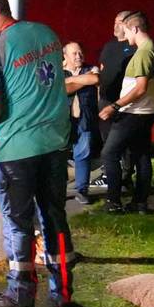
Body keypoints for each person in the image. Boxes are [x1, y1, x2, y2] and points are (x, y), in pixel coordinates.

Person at [0, 0, 78, 307]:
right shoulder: (47, 34)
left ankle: (21, 293)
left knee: (18, 224)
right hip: (54, 144)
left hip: (16, 151)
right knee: (55, 218)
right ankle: (63, 295)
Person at [98, 11, 154, 214]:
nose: (125, 36)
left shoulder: (144, 52)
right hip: (149, 111)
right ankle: (140, 202)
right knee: (141, 154)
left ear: (135, 29)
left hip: (135, 112)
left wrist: (115, 106)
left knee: (109, 153)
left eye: (126, 31)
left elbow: (140, 88)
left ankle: (113, 202)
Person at [92, 11, 136, 189]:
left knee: (124, 142)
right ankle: (109, 173)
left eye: (119, 22)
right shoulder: (109, 46)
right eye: (114, 22)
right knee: (107, 140)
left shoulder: (134, 48)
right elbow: (102, 71)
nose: (115, 25)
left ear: (128, 25)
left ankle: (126, 175)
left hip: (124, 102)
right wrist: (99, 98)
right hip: (105, 100)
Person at [63, 42, 100, 204]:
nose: (79, 56)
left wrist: (71, 80)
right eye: (74, 54)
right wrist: (84, 80)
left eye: (80, 52)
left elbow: (95, 78)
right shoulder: (57, 71)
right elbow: (64, 89)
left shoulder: (91, 68)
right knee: (59, 157)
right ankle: (59, 191)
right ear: (65, 56)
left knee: (83, 154)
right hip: (63, 121)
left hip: (85, 119)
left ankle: (82, 190)